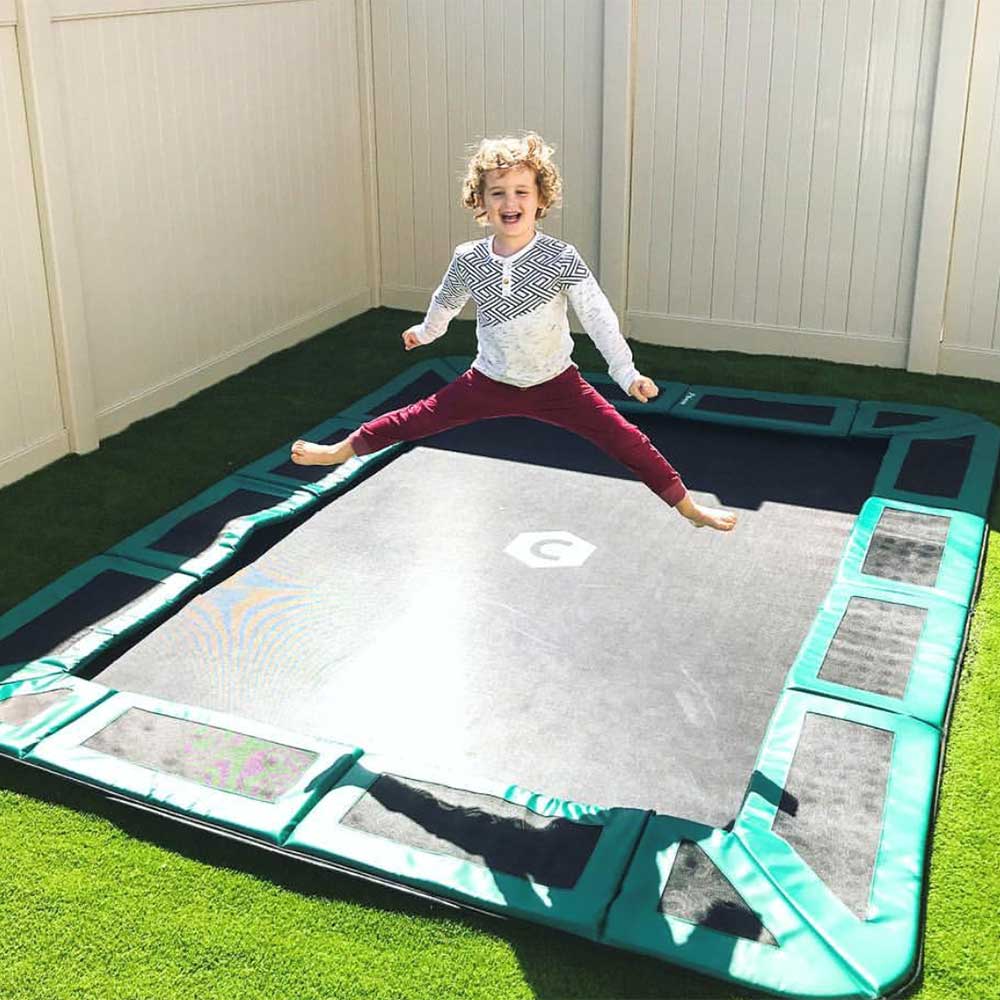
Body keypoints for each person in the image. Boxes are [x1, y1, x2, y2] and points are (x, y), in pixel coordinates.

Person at [292, 132, 737, 532]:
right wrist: (426, 333)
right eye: (498, 192)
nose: (510, 202)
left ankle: (687, 508)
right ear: (481, 202)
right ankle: (341, 450)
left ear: (540, 199)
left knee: (625, 439)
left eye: (522, 191)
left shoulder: (561, 258)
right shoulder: (469, 258)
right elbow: (445, 302)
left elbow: (598, 317)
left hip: (557, 383)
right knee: (418, 416)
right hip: (488, 381)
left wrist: (626, 373)